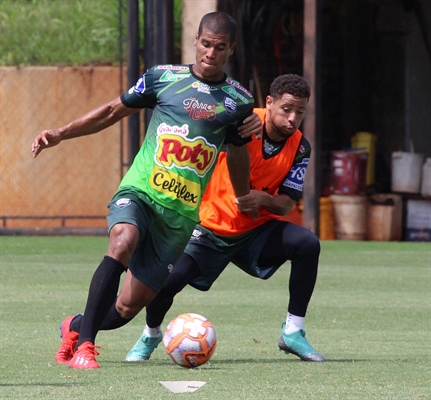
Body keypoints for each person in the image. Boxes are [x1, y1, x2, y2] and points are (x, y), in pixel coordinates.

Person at [31, 11, 261, 369]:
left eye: (219, 47)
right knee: (122, 240)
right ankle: (86, 348)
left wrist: (244, 192)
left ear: (230, 49)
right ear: (195, 41)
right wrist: (60, 133)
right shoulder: (162, 78)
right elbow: (111, 112)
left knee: (124, 309)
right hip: (142, 191)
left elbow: (237, 151)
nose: (210, 53)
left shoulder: (238, 101)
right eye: (205, 44)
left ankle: (75, 327)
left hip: (180, 216)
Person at [125, 74, 325, 363]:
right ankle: (151, 333)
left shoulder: (301, 148)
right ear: (269, 103)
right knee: (165, 283)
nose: (293, 118)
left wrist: (263, 199)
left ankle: (293, 332)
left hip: (254, 230)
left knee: (307, 244)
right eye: (286, 109)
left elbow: (286, 204)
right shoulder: (239, 123)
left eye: (300, 111)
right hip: (209, 227)